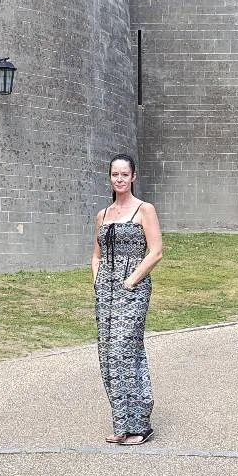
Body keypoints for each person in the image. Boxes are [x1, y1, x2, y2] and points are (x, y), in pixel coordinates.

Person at [92, 154, 163, 446]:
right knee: (108, 354)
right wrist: (97, 280)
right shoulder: (103, 215)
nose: (119, 179)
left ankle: (140, 424)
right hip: (105, 290)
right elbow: (95, 255)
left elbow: (156, 251)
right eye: (114, 174)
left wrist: (131, 281)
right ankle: (122, 425)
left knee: (125, 349)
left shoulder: (144, 210)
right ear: (109, 177)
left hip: (132, 287)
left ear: (133, 177)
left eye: (124, 174)